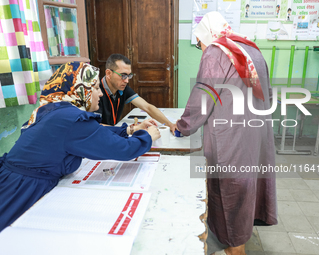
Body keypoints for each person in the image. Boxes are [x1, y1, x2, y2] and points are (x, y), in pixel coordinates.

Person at [0, 61, 160, 232]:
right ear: (80, 89)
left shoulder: (56, 110)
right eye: (96, 88)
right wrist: (147, 137)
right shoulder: (70, 119)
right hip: (22, 190)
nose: (100, 94)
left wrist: (129, 129)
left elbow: (94, 133)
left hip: (12, 180)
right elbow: (125, 149)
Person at [175, 12, 277, 255]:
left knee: (228, 191)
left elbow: (204, 97)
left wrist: (182, 126)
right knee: (246, 186)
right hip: (257, 135)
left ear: (208, 35)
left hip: (231, 138)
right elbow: (268, 95)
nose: (201, 48)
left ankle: (235, 246)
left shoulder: (216, 52)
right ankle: (241, 234)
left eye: (200, 42)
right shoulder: (251, 48)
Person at [97, 54, 176, 133]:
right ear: (108, 74)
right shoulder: (95, 91)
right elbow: (95, 127)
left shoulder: (122, 88)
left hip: (112, 133)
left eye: (128, 76)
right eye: (123, 75)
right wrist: (133, 129)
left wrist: (170, 124)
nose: (127, 81)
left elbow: (147, 107)